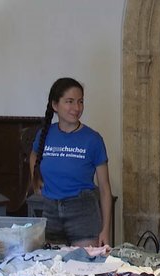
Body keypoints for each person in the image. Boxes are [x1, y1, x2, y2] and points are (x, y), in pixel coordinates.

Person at [29, 77, 113, 247]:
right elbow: (33, 155)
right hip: (50, 212)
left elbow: (105, 189)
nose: (77, 108)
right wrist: (35, 179)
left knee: (85, 268)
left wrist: (105, 230)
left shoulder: (93, 139)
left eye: (80, 102)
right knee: (53, 268)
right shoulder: (45, 134)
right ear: (55, 105)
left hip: (83, 212)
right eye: (70, 102)